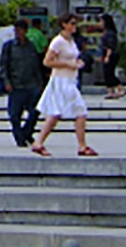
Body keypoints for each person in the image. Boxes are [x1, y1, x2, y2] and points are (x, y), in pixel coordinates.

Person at [31, 12, 96, 158]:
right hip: (61, 81)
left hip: (70, 80)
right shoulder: (58, 42)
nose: (74, 26)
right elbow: (47, 61)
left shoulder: (70, 41)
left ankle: (39, 142)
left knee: (59, 113)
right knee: (76, 111)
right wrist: (67, 64)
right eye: (72, 23)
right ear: (64, 25)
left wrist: (77, 64)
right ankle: (81, 145)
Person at [0, 18, 44, 147]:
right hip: (16, 84)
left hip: (31, 84)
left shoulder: (31, 46)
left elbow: (36, 65)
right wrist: (6, 82)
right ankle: (20, 138)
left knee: (34, 112)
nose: (18, 33)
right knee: (14, 115)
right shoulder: (9, 47)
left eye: (21, 30)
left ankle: (27, 133)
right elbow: (3, 66)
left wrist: (40, 83)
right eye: (16, 31)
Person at [99, 11, 126, 99]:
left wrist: (107, 56)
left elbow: (110, 46)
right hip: (106, 54)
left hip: (111, 55)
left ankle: (120, 88)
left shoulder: (110, 33)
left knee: (110, 73)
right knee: (106, 74)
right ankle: (110, 91)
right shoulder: (106, 32)